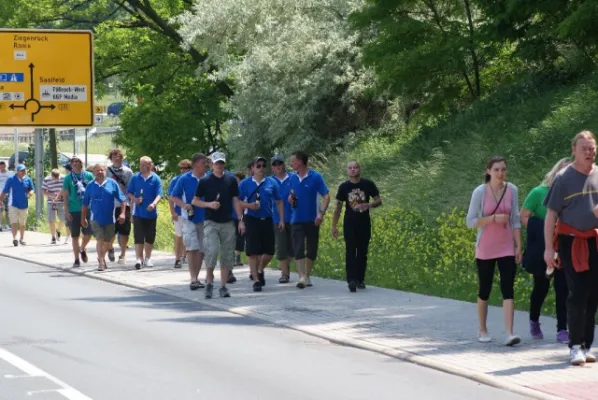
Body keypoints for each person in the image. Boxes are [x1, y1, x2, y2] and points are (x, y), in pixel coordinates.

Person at [544, 130, 598, 366]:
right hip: (571, 241)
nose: (589, 151)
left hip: (594, 240)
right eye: (584, 148)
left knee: (593, 294)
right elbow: (550, 216)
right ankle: (574, 346)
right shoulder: (563, 178)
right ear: (573, 150)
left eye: (592, 147)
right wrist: (548, 249)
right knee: (577, 292)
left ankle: (587, 344)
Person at [466, 156, 522, 346]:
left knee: (508, 289)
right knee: (485, 289)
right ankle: (482, 329)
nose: (500, 173)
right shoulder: (480, 192)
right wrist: (492, 219)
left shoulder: (512, 189)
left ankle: (509, 333)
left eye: (503, 169)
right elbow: (470, 221)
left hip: (506, 245)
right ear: (489, 171)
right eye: (497, 169)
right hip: (486, 247)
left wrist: (518, 245)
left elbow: (515, 219)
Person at [521, 158, 570, 342]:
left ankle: (562, 329)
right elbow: (524, 216)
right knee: (541, 286)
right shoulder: (538, 192)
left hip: (564, 247)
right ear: (556, 173)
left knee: (563, 288)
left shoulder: (573, 196)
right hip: (544, 247)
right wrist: (545, 228)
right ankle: (534, 319)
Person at [192, 152, 244, 299]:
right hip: (211, 221)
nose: (219, 166)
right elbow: (195, 201)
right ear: (211, 164)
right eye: (217, 163)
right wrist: (209, 204)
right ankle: (209, 282)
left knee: (227, 255)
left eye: (221, 163)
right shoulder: (205, 181)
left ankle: (223, 286)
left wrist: (241, 219)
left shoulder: (231, 180)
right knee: (212, 251)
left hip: (227, 222)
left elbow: (235, 200)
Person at [332, 161, 382, 292]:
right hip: (349, 223)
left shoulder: (368, 184)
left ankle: (360, 279)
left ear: (360, 169)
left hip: (364, 223)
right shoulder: (344, 187)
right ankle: (351, 280)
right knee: (350, 251)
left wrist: (369, 205)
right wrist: (334, 226)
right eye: (350, 168)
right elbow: (338, 207)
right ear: (347, 171)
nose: (353, 170)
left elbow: (378, 200)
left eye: (355, 167)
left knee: (362, 251)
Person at [239, 156, 284, 292]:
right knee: (253, 252)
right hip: (251, 219)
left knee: (269, 252)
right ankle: (256, 280)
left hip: (267, 218)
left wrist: (281, 219)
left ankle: (260, 269)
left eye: (264, 165)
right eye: (258, 165)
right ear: (252, 168)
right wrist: (249, 206)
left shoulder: (271, 182)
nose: (261, 168)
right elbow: (237, 202)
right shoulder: (244, 184)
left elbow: (279, 201)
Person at [288, 150, 330, 289]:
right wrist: (290, 199)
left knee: (311, 249)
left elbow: (326, 196)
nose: (291, 163)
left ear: (300, 161)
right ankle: (301, 277)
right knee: (298, 247)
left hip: (313, 219)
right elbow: (291, 195)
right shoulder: (292, 178)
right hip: (296, 218)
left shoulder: (316, 177)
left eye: (293, 161)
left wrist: (321, 214)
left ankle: (307, 274)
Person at [171, 154, 208, 290]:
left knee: (202, 249)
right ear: (196, 165)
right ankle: (193, 279)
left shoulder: (208, 178)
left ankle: (196, 277)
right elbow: (174, 196)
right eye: (204, 163)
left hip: (205, 218)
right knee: (192, 247)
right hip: (189, 218)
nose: (206, 165)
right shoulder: (184, 179)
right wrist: (184, 205)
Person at [82, 165, 127, 271]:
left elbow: (123, 200)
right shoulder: (90, 185)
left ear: (105, 172)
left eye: (102, 170)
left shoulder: (112, 183)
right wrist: (83, 218)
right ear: (93, 173)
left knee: (108, 241)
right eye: (97, 170)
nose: (100, 172)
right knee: (100, 239)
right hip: (96, 218)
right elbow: (84, 204)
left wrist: (123, 213)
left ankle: (101, 256)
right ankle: (101, 262)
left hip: (110, 219)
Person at [127, 156, 163, 270]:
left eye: (146, 164)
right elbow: (129, 192)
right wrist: (135, 199)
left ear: (151, 165)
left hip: (151, 213)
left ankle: (148, 258)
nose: (144, 166)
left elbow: (159, 194)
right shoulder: (135, 178)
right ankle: (139, 258)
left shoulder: (156, 178)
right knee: (138, 235)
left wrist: (153, 204)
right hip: (138, 212)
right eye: (142, 164)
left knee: (150, 236)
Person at [63, 155, 94, 267]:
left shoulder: (89, 175)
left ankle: (82, 248)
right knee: (75, 236)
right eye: (73, 162)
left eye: (77, 161)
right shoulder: (68, 178)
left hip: (87, 208)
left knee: (89, 232)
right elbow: (65, 195)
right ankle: (76, 259)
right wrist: (66, 211)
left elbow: (93, 191)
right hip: (73, 209)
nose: (75, 164)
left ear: (82, 163)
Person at [106, 149, 134, 264]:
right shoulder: (107, 171)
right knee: (110, 230)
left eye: (118, 156)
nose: (116, 158)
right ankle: (110, 248)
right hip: (111, 204)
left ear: (122, 158)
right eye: (114, 156)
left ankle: (123, 254)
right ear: (111, 158)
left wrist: (126, 191)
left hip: (124, 203)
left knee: (124, 231)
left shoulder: (128, 172)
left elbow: (132, 189)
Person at [270, 156, 294, 283]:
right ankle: (284, 274)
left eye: (280, 163)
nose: (278, 166)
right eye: (275, 164)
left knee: (294, 249)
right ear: (272, 167)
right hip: (277, 218)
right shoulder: (269, 181)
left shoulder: (293, 178)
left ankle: (286, 266)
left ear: (284, 165)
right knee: (280, 247)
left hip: (294, 217)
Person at [0, 164, 34, 246]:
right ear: (17, 171)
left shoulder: (28, 179)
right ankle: (14, 238)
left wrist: (30, 193)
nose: (24, 171)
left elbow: (32, 189)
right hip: (13, 204)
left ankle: (22, 239)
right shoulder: (11, 179)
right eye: (22, 170)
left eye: (24, 170)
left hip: (24, 205)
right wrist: (0, 200)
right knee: (14, 222)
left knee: (22, 223)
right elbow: (5, 190)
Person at [169, 159, 192, 268]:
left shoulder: (193, 179)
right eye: (181, 168)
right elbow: (170, 197)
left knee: (189, 235)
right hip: (178, 211)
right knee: (179, 235)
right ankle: (177, 258)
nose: (183, 170)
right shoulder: (175, 180)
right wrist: (172, 212)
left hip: (191, 212)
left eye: (185, 168)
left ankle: (185, 255)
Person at [42, 168, 68, 244]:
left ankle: (58, 230)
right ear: (51, 176)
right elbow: (43, 191)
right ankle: (53, 237)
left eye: (58, 178)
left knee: (64, 219)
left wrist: (61, 195)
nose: (56, 180)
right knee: (51, 220)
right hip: (51, 202)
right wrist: (52, 196)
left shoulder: (64, 178)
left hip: (62, 202)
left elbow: (66, 189)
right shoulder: (46, 179)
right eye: (54, 178)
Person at [233, 171, 246, 268]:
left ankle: (238, 256)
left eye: (236, 179)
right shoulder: (230, 189)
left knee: (240, 236)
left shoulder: (243, 189)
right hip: (231, 216)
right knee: (232, 237)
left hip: (242, 215)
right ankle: (232, 257)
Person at [0, 161, 14, 231]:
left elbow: (13, 183)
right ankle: (0, 225)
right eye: (0, 167)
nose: (2, 168)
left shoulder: (10, 174)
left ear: (5, 166)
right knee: (0, 210)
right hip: (0, 194)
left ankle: (7, 225)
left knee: (7, 210)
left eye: (3, 167)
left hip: (8, 194)